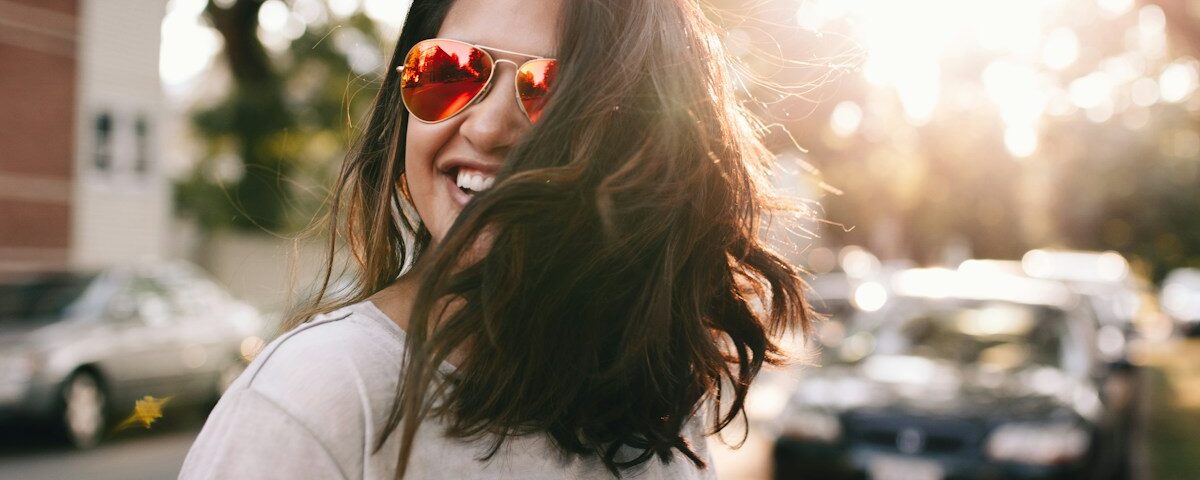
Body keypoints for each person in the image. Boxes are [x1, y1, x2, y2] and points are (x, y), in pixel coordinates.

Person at [179, 0, 812, 478]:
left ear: (644, 143)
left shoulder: (653, 408)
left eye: (553, 91)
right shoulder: (317, 396)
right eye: (450, 71)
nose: (486, 127)